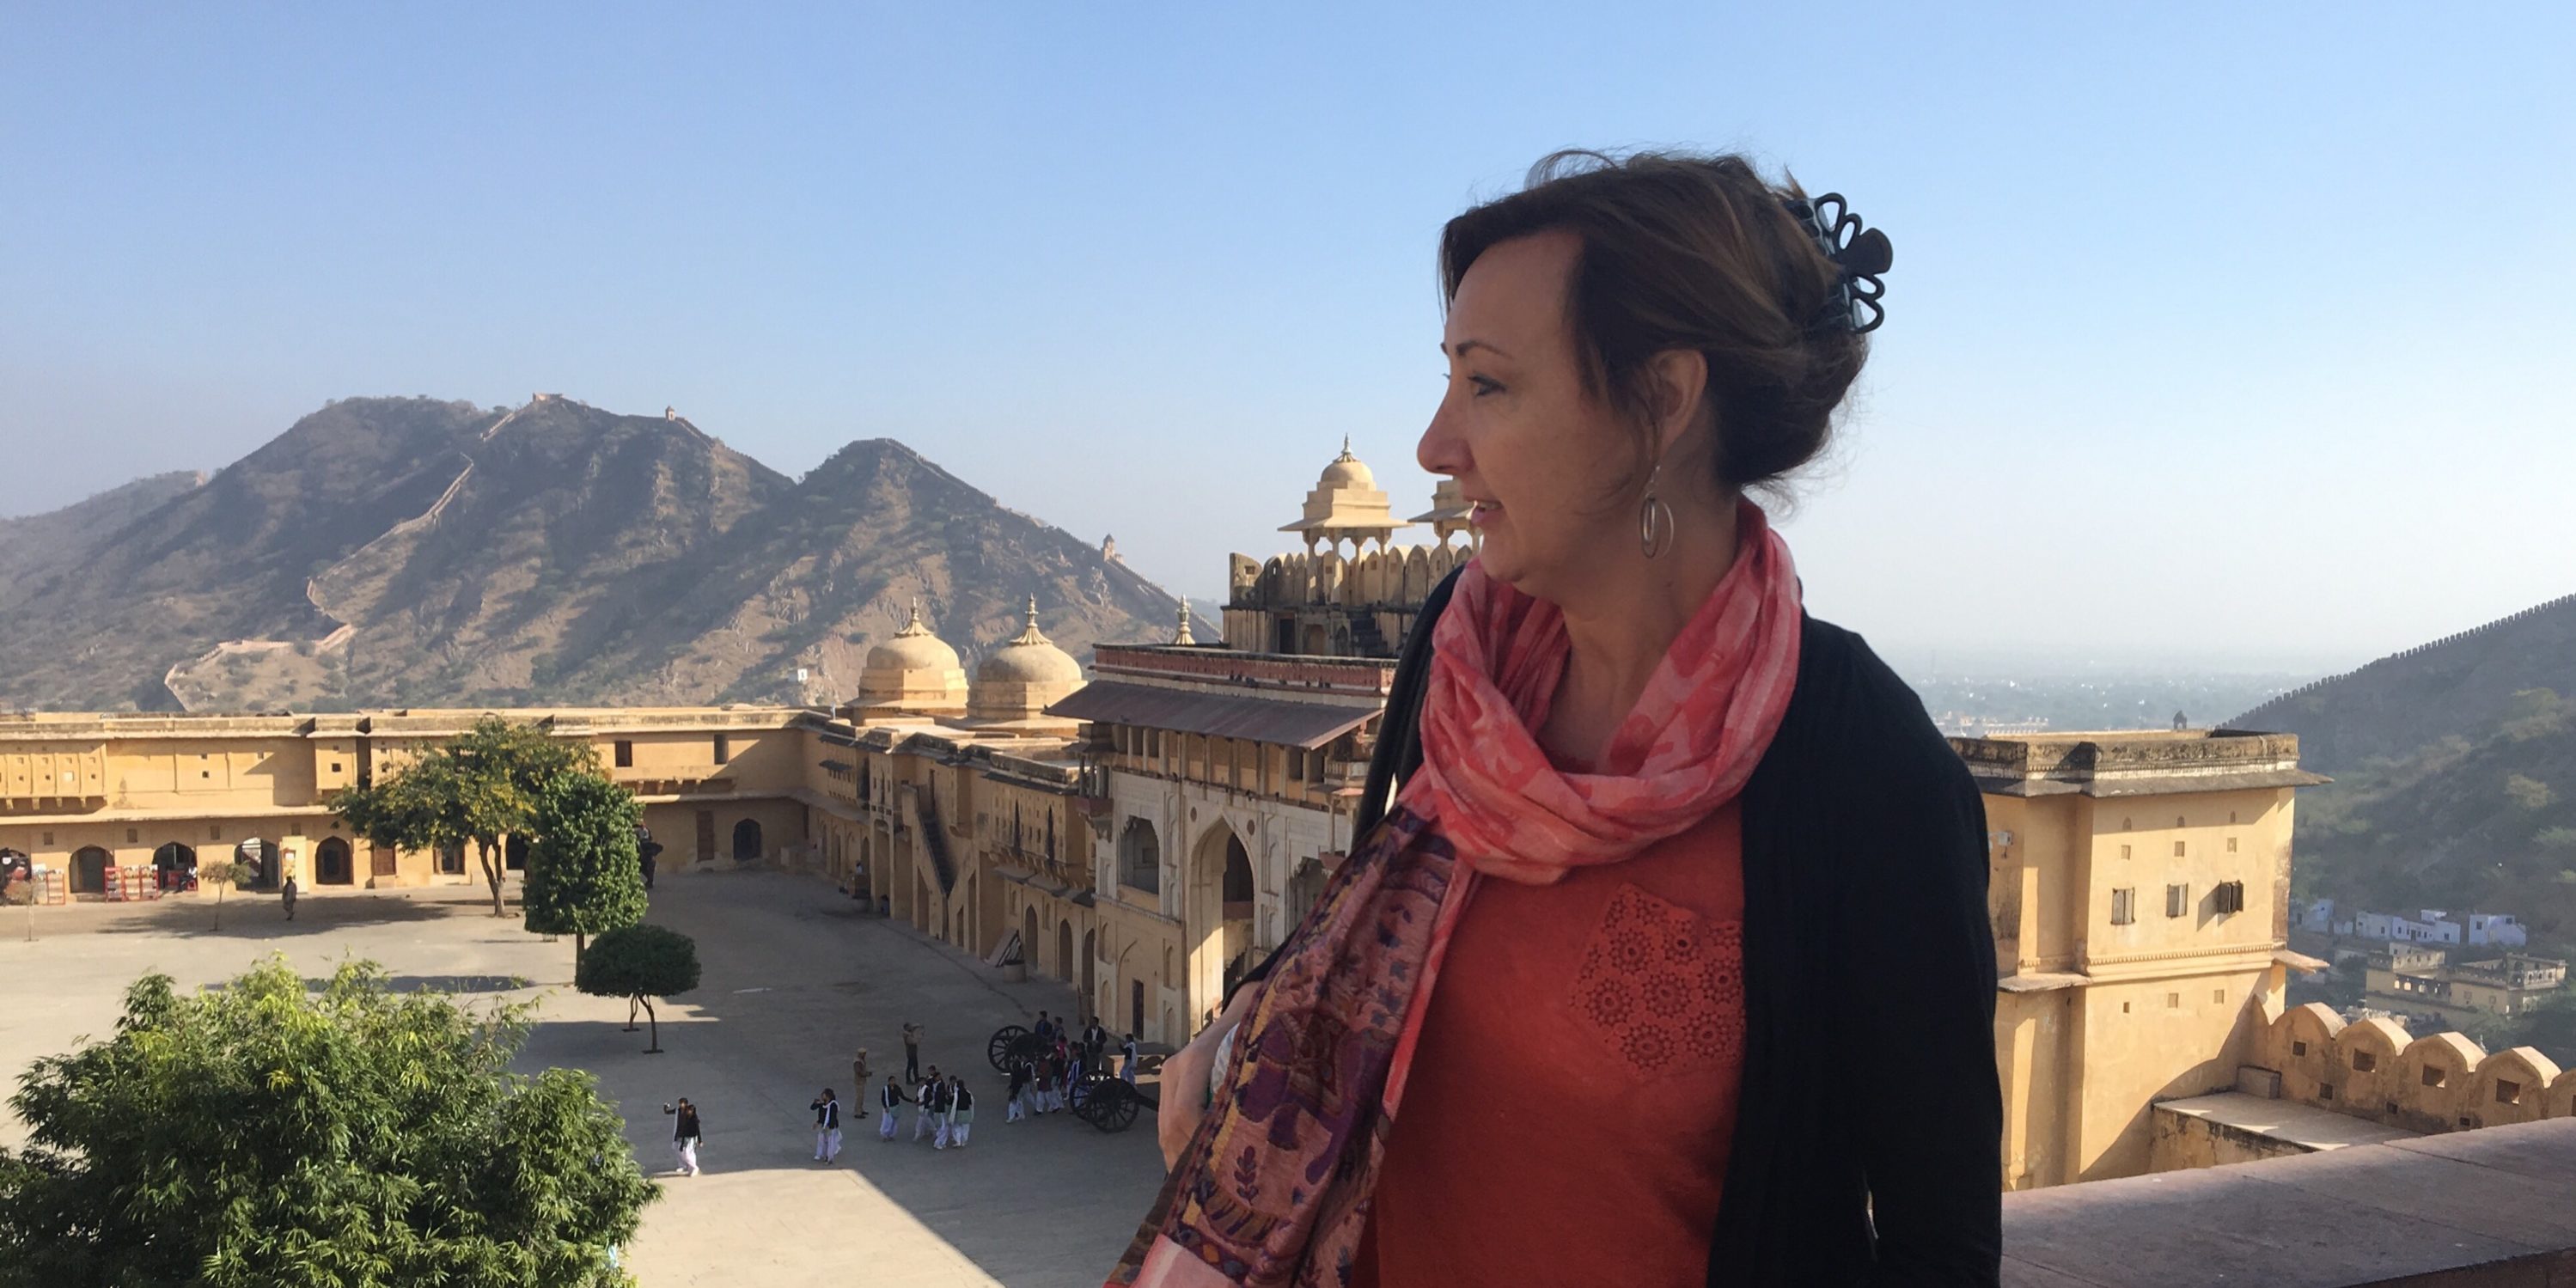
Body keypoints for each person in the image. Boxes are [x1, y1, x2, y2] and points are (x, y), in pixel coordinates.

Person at [1120, 151, 1998, 1288]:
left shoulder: (1860, 771)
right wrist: (1249, 1015)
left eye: (1486, 384)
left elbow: (1939, 1251)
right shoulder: (1464, 654)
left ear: (1662, 404)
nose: (1436, 443)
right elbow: (1380, 922)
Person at [664, 1098, 703, 1176]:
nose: (681, 1105)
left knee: (688, 1153)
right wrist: (665, 1107)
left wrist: (699, 1140)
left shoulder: (692, 1116)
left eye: (682, 1103)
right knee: (677, 1149)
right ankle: (683, 1165)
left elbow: (697, 1129)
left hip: (689, 1137)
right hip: (680, 1133)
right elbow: (668, 1112)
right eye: (680, 1103)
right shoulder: (678, 1111)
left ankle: (693, 1167)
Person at [810, 1087, 842, 1163]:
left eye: (824, 1094)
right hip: (824, 1125)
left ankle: (829, 1158)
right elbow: (814, 1109)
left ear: (828, 1096)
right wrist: (815, 1103)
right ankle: (821, 1154)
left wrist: (830, 1127)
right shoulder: (823, 1104)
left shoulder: (833, 1105)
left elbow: (833, 1117)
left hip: (831, 1126)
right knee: (821, 1139)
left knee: (830, 1142)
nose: (822, 1096)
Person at [912, 1065, 943, 1142]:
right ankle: (932, 1131)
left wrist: (921, 1103)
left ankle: (920, 1134)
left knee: (924, 1120)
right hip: (922, 1107)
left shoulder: (927, 1089)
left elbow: (929, 1098)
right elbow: (918, 1096)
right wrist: (916, 1101)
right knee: (926, 1120)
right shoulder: (920, 1088)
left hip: (925, 1107)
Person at [947, 1076, 975, 1147]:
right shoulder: (968, 1093)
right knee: (966, 1128)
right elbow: (971, 1103)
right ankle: (964, 1141)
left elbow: (951, 1102)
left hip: (959, 1112)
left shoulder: (956, 1094)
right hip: (966, 1112)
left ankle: (958, 1141)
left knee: (957, 1127)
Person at [929, 1075, 955, 1151]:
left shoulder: (937, 1094)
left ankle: (942, 1143)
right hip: (941, 1113)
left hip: (937, 1112)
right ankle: (938, 1143)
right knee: (944, 1129)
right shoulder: (941, 1094)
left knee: (941, 1128)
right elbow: (948, 1101)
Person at [878, 1075, 907, 1141]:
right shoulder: (885, 1089)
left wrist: (911, 1101)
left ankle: (891, 1134)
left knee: (894, 1122)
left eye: (894, 1081)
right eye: (891, 1081)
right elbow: (883, 1099)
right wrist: (885, 1107)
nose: (893, 1082)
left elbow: (902, 1096)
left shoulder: (897, 1088)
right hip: (888, 1108)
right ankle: (884, 1135)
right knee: (887, 1122)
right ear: (889, 1081)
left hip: (895, 1107)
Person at [1006, 1053, 1032, 1122]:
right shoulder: (1021, 1072)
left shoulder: (1016, 1074)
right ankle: (1021, 1115)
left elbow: (1014, 1081)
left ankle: (1011, 1117)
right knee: (1019, 1101)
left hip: (1017, 1088)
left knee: (1013, 1103)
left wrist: (1011, 1087)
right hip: (1021, 1087)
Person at [900, 1019, 924, 1083]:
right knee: (910, 1066)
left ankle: (916, 1078)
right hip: (911, 1053)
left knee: (915, 1065)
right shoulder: (907, 1036)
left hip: (913, 1052)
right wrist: (919, 1037)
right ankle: (908, 1079)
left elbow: (915, 1026)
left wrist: (919, 1026)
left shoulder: (909, 1032)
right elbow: (914, 1042)